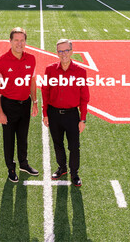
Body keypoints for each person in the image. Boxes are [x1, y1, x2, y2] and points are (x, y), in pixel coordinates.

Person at [0, 27, 39, 183]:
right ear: (10, 41)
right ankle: (10, 168)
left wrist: (35, 102)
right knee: (9, 139)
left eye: (22, 40)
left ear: (25, 41)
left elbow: (32, 81)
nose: (19, 43)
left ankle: (23, 164)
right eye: (16, 40)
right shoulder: (0, 61)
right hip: (8, 105)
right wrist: (0, 112)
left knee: (23, 136)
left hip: (25, 103)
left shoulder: (31, 59)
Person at [42, 39, 90, 187]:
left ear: (71, 51)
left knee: (74, 146)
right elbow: (45, 92)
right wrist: (45, 114)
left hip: (72, 115)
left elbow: (84, 97)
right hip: (54, 113)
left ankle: (74, 173)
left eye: (66, 50)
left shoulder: (80, 71)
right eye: (60, 51)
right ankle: (62, 168)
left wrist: (82, 119)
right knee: (57, 144)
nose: (64, 54)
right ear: (57, 53)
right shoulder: (49, 70)